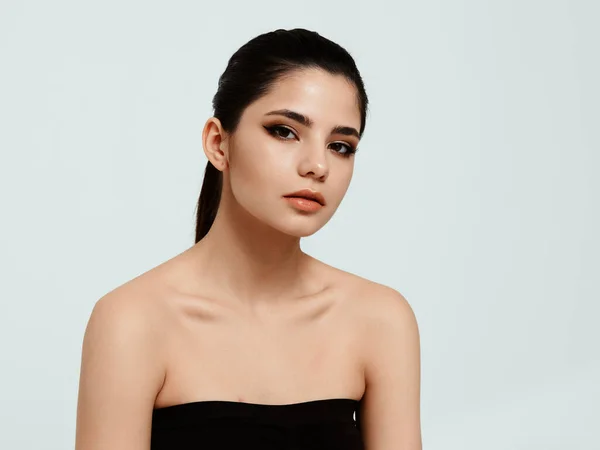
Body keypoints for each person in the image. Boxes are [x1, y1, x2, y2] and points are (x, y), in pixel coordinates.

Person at [75, 28, 422, 450]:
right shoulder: (131, 322)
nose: (317, 166)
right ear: (219, 143)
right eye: (284, 131)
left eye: (340, 145)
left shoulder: (380, 320)